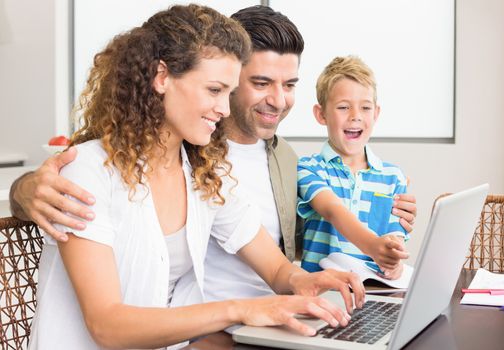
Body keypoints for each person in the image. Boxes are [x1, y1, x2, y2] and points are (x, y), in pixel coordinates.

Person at [9, 6, 417, 304]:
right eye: (258, 82)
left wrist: (385, 223)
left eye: (289, 84)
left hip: (253, 321)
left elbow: (284, 260)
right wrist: (23, 189)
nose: (278, 100)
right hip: (209, 327)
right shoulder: (171, 147)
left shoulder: (260, 163)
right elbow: (83, 175)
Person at [298, 55, 410, 278]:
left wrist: (393, 261)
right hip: (322, 294)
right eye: (343, 107)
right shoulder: (308, 168)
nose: (355, 117)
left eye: (365, 108)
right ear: (321, 114)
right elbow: (332, 211)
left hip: (373, 294)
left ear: (376, 114)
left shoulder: (393, 177)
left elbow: (394, 236)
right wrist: (374, 247)